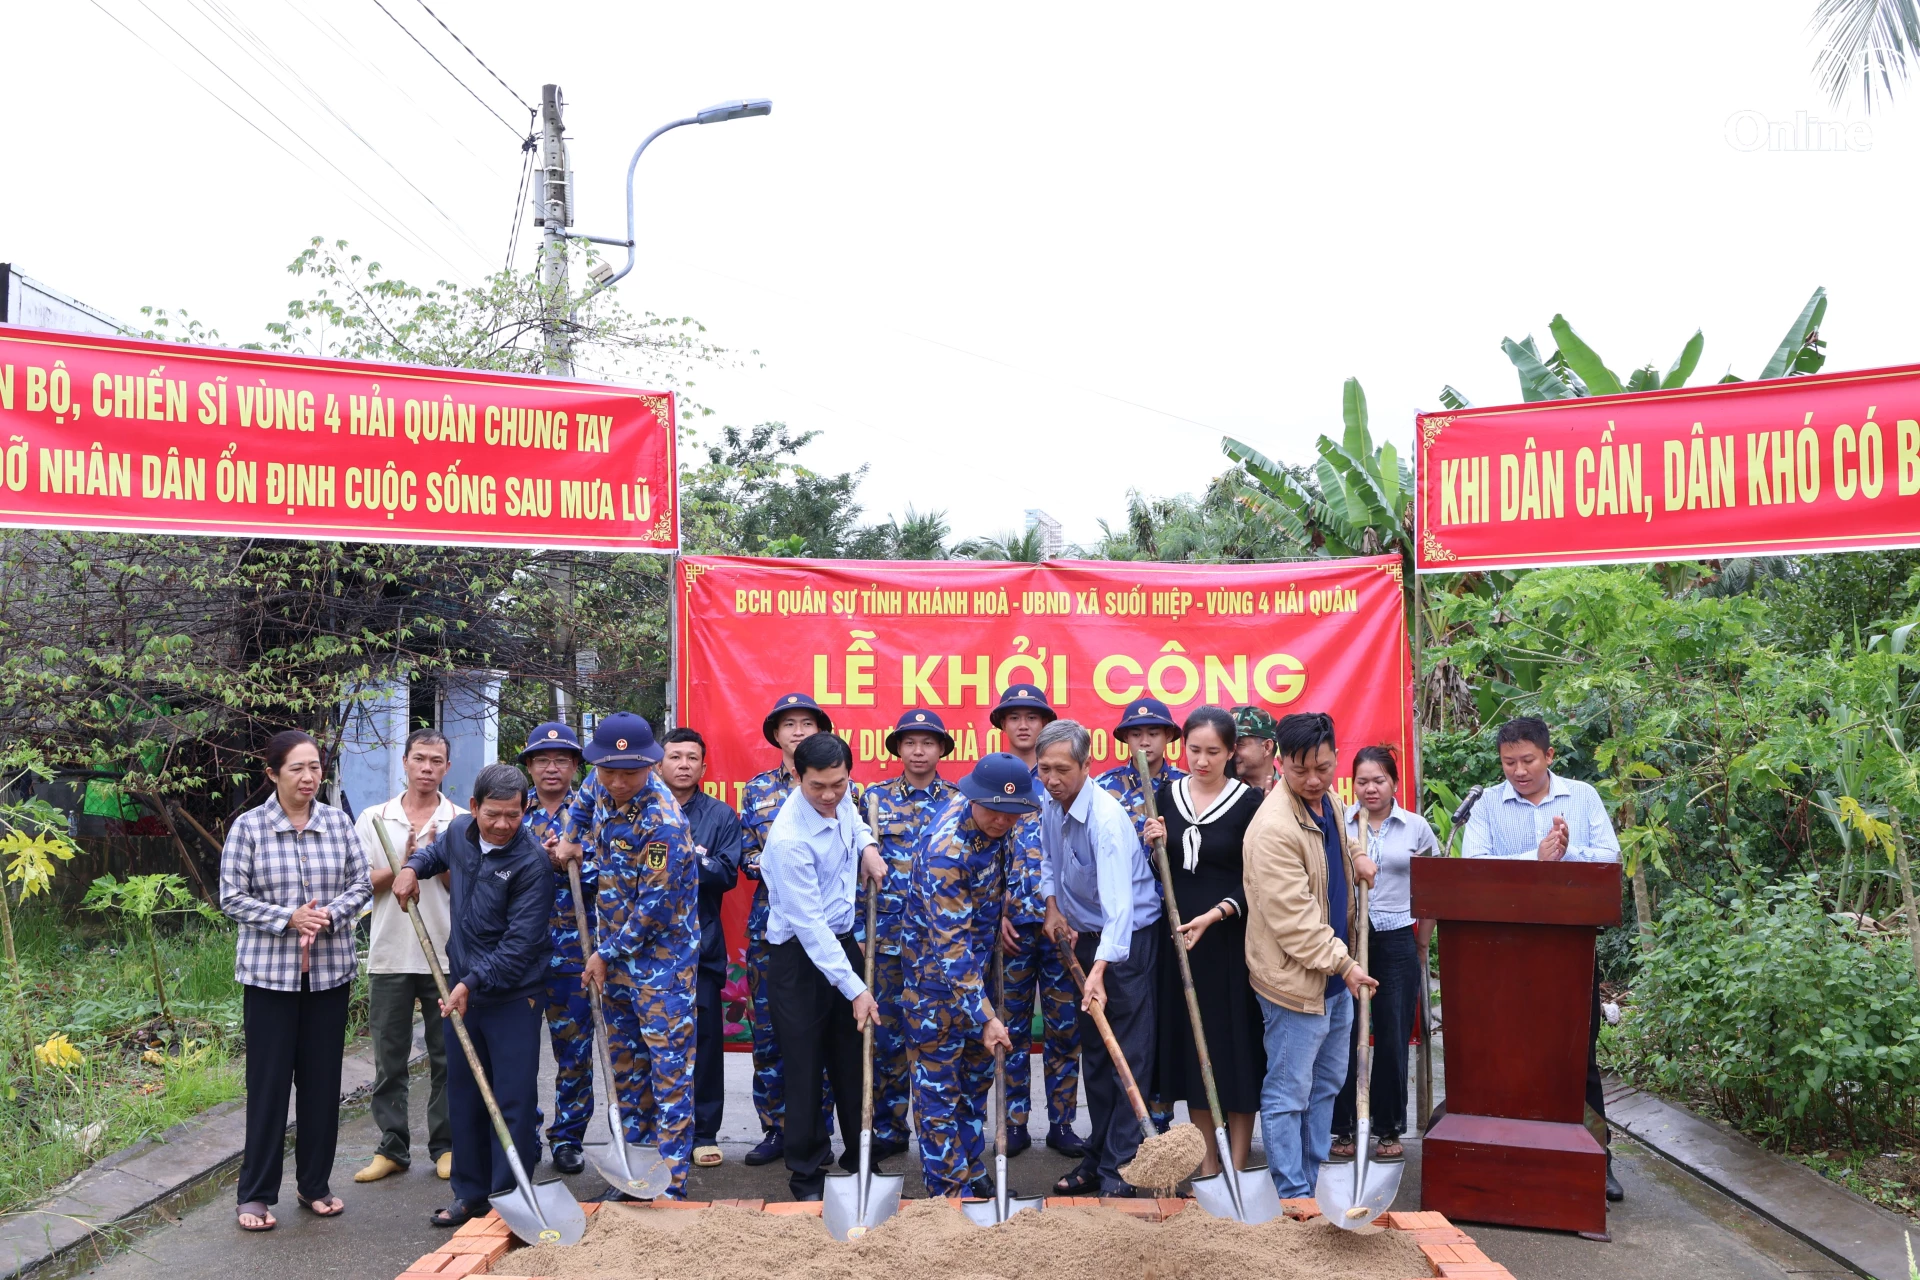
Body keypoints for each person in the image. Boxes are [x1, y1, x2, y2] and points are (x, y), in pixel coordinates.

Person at [1460, 715, 1624, 1203]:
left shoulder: (1582, 797)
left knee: (1579, 1059)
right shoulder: (1488, 803)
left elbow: (1610, 859)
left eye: (1527, 760)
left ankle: (1598, 1159)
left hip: (1570, 952)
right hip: (1502, 958)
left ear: (1549, 756)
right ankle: (1514, 1158)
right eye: (1509, 762)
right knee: (1507, 1054)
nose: (1518, 771)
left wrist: (1566, 855)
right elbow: (1473, 867)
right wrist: (1534, 859)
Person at [221, 730, 370, 1231]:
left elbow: (361, 883)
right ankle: (256, 1195)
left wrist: (327, 914)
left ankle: (315, 1185)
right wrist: (289, 918)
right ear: (272, 774)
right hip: (269, 979)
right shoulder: (250, 827)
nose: (309, 777)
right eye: (297, 769)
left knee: (322, 1086)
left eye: (315, 767)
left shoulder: (337, 822)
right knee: (268, 1087)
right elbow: (231, 896)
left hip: (329, 976)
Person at [393, 762, 553, 1228]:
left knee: (512, 1099)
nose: (503, 825)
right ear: (474, 808)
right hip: (462, 989)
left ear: (524, 811)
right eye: (494, 815)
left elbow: (519, 946)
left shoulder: (531, 863)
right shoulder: (461, 833)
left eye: (514, 815)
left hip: (511, 996)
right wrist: (410, 868)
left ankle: (512, 1194)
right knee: (463, 1095)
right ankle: (471, 1193)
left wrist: (471, 982)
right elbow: (434, 854)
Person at [552, 713, 700, 1200]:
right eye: (608, 770)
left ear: (650, 766)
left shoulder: (664, 823)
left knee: (668, 1075)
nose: (616, 782)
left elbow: (654, 909)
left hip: (661, 970)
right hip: (613, 966)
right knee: (627, 1073)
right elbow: (582, 802)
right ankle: (635, 1175)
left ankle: (671, 1185)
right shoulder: (601, 783)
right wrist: (571, 837)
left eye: (629, 773)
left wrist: (604, 953)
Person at [1242, 711, 1378, 1200]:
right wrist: (1345, 964)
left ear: (1335, 757)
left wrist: (1358, 854)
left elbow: (1339, 840)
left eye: (1323, 767)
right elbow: (1296, 926)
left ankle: (1313, 1174)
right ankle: (1292, 1192)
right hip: (1295, 983)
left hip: (1336, 978)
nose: (1314, 779)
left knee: (1325, 1085)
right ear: (1280, 764)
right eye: (1302, 771)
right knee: (1288, 1092)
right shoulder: (1273, 829)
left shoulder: (1330, 802)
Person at [1140, 706, 1267, 1175]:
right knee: (1194, 1051)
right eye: (1194, 750)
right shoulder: (1165, 796)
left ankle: (1237, 1161)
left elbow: (1256, 879)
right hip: (1181, 944)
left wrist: (1217, 915)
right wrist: (1154, 844)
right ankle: (1208, 1164)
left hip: (1230, 943)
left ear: (1232, 752)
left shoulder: (1250, 803)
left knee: (1235, 1049)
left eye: (1214, 751)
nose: (1202, 760)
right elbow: (1165, 871)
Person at [759, 732, 886, 1201]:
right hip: (799, 958)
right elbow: (809, 927)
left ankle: (861, 1158)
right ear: (797, 776)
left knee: (853, 1056)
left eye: (839, 784)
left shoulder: (843, 799)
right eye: (818, 787)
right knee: (806, 1064)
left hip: (844, 945)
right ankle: (807, 1173)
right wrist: (856, 989)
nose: (830, 795)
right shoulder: (788, 839)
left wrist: (868, 846)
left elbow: (854, 820)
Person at [1036, 719, 1161, 1198]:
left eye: (1062, 769)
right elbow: (1049, 861)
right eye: (1044, 769)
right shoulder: (1052, 804)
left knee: (1126, 1054)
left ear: (1087, 766)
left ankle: (1120, 1171)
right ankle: (1098, 1157)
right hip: (1085, 939)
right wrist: (1052, 906)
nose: (1051, 779)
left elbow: (1120, 908)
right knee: (1095, 1054)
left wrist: (1101, 972)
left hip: (1125, 945)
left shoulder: (1106, 821)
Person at [901, 754, 1036, 1197]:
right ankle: (949, 1194)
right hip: (936, 986)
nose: (1001, 820)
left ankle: (969, 1166)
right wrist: (985, 1017)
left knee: (975, 1081)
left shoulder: (999, 827)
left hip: (977, 975)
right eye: (992, 809)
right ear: (972, 797)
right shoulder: (947, 851)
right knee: (939, 1092)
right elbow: (951, 951)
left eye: (1011, 812)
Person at [352, 728, 461, 1185]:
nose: (427, 769)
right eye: (420, 759)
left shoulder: (460, 821)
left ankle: (447, 1145)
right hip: (391, 954)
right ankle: (392, 1146)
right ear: (405, 762)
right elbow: (357, 885)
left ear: (447, 768)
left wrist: (435, 860)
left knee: (446, 1057)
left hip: (445, 955)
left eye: (436, 761)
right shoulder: (375, 818)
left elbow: (466, 889)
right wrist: (404, 861)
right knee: (389, 1058)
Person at [738, 692, 837, 1168]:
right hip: (772, 933)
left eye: (807, 723)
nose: (798, 731)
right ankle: (777, 1128)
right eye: (789, 724)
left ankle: (820, 1131)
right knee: (773, 1035)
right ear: (775, 734)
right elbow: (747, 857)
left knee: (828, 1033)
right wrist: (781, 865)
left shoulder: (842, 790)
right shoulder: (756, 791)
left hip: (829, 930)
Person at [991, 684, 1085, 1159]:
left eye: (1033, 717)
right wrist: (996, 914)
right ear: (1002, 726)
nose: (1023, 725)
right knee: (1008, 1026)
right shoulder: (993, 778)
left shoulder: (1062, 777)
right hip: (1011, 927)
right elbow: (983, 851)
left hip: (1061, 924)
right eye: (1014, 717)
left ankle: (1064, 1122)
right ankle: (1013, 1121)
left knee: (1065, 1026)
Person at [1333, 745, 1437, 1163]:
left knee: (1393, 1035)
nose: (1370, 789)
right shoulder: (1340, 825)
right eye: (1362, 781)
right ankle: (1342, 1126)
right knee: (1343, 1034)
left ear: (1394, 783)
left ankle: (1388, 1126)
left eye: (1379, 780)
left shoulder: (1415, 828)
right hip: (1345, 942)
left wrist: (1422, 942)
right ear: (1351, 784)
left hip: (1395, 939)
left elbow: (1432, 889)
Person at [867, 709, 959, 1159]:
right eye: (910, 743)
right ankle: (888, 1127)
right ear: (898, 749)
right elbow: (854, 865)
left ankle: (938, 1134)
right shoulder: (873, 800)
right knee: (885, 1041)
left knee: (936, 1041)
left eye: (928, 742)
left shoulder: (960, 802)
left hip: (940, 947)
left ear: (942, 748)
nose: (919, 750)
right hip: (885, 940)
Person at [1098, 697, 1186, 1131]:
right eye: (1135, 733)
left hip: (1176, 924)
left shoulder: (1186, 788)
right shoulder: (1104, 789)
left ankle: (1162, 1111)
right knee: (1128, 1028)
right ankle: (1120, 1128)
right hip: (1126, 927)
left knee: (1169, 1019)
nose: (1145, 741)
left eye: (1153, 732)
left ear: (1169, 737)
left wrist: (1169, 842)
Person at [659, 726, 744, 1169]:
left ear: (704, 767)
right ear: (660, 763)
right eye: (676, 757)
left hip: (702, 946)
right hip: (649, 950)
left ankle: (704, 1132)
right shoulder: (640, 810)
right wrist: (694, 856)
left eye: (692, 758)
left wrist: (686, 856)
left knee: (705, 1042)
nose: (684, 765)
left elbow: (725, 874)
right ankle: (657, 1131)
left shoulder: (720, 815)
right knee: (653, 1043)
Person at [517, 721, 593, 1176]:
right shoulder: (512, 810)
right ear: (528, 765)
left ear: (575, 767)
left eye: (561, 760)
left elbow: (612, 871)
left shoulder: (591, 812)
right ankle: (524, 1135)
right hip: (522, 954)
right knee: (519, 1053)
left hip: (573, 953)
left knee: (575, 1052)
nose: (551, 768)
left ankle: (568, 1138)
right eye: (542, 760)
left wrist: (572, 862)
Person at [1231, 705, 1281, 793]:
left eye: (1239, 744)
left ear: (1267, 747)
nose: (1230, 751)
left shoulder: (1292, 793)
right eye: (1228, 744)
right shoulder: (1219, 793)